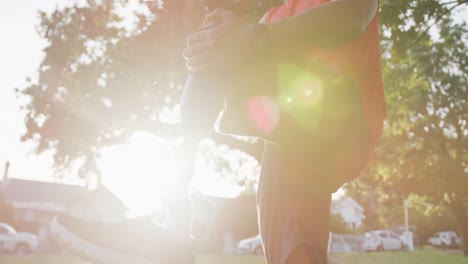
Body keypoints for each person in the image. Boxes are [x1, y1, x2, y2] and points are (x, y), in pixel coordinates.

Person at [50, 0, 386, 263]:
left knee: (227, 45)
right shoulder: (273, 17)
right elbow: (234, 50)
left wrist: (249, 38)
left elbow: (352, 16)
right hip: (295, 133)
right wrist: (211, 42)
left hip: (344, 127)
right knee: (219, 46)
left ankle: (173, 230)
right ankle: (174, 227)